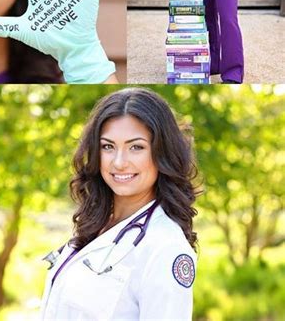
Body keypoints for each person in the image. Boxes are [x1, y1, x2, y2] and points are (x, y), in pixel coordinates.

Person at [41, 87, 199, 320]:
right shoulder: (97, 225)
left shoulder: (166, 247)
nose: (119, 162)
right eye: (108, 146)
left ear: (161, 153)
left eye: (136, 147)